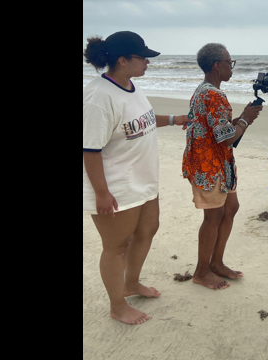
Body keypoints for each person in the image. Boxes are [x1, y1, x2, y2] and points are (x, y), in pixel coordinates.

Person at [83, 31, 191, 325]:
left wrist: (172, 120)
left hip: (143, 181)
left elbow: (140, 121)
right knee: (116, 247)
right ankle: (117, 306)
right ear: (122, 60)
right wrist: (101, 193)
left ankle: (131, 284)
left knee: (147, 231)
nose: (147, 62)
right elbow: (90, 150)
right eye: (142, 57)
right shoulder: (98, 97)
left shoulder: (131, 85)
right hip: (116, 187)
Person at [182, 43, 263, 290]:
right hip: (210, 165)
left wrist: (239, 118)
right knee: (214, 216)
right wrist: (246, 121)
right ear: (217, 66)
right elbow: (226, 138)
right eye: (229, 62)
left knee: (231, 208)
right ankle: (201, 271)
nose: (232, 67)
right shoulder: (214, 95)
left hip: (218, 163)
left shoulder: (204, 91)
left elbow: (218, 128)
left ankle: (216, 263)